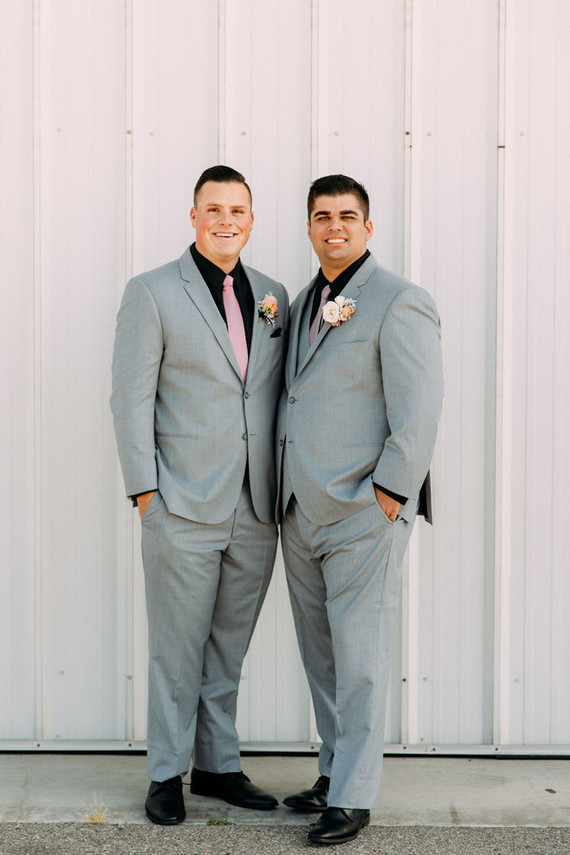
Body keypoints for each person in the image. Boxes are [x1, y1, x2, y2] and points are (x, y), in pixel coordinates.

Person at [111, 165, 288, 824]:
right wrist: (144, 492)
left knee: (226, 646)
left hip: (255, 508)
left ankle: (216, 765)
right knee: (176, 645)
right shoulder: (153, 292)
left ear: (251, 218)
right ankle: (165, 772)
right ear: (192, 216)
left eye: (237, 210)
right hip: (180, 504)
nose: (225, 220)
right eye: (213, 209)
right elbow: (129, 399)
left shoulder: (273, 295)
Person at [277, 174, 443, 845]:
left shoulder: (401, 301)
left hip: (362, 513)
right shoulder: (298, 302)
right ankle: (332, 768)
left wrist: (390, 497)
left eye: (348, 216)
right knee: (322, 657)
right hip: (297, 510)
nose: (334, 227)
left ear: (368, 228)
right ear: (310, 227)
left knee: (361, 655)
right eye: (322, 216)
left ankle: (354, 794)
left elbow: (420, 408)